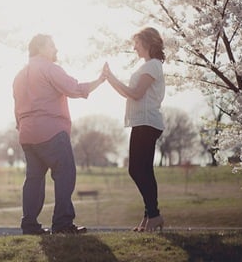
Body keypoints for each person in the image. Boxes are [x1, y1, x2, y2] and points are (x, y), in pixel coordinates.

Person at [12, 34, 105, 235]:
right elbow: (74, 89)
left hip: (27, 135)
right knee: (65, 174)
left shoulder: (19, 75)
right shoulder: (49, 68)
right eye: (52, 46)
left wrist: (23, 127)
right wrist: (100, 80)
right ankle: (62, 224)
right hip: (52, 132)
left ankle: (29, 225)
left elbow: (16, 108)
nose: (56, 49)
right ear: (39, 48)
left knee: (34, 179)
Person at [103, 27, 165, 232]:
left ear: (147, 43)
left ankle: (154, 215)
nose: (134, 47)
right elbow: (129, 94)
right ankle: (149, 217)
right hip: (143, 123)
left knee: (137, 170)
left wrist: (112, 77)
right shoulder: (149, 65)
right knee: (144, 170)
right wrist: (110, 78)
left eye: (137, 43)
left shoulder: (153, 66)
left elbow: (136, 94)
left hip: (147, 123)